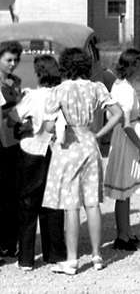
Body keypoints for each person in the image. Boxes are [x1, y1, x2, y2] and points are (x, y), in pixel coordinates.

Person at [42, 48, 123, 275]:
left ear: (65, 66)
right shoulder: (96, 87)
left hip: (69, 147)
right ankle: (97, 256)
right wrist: (99, 133)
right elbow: (117, 114)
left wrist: (56, 123)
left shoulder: (59, 91)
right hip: (90, 142)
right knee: (92, 203)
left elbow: (48, 126)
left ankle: (72, 259)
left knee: (71, 205)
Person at [14, 55, 66, 270]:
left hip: (32, 149)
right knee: (53, 202)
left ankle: (26, 258)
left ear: (38, 73)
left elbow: (13, 118)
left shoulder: (31, 96)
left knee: (28, 203)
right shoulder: (61, 95)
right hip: (55, 150)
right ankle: (54, 253)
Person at [104, 48, 140, 251]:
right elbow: (123, 123)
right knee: (123, 190)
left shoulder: (123, 85)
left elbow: (128, 113)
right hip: (127, 140)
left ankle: (127, 232)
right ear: (131, 66)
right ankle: (122, 235)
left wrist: (139, 112)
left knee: (127, 190)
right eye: (139, 65)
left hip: (128, 136)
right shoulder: (122, 88)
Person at [0, 41, 22, 260]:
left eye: (16, 60)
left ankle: (9, 243)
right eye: (8, 60)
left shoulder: (16, 82)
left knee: (12, 195)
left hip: (14, 143)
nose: (13, 64)